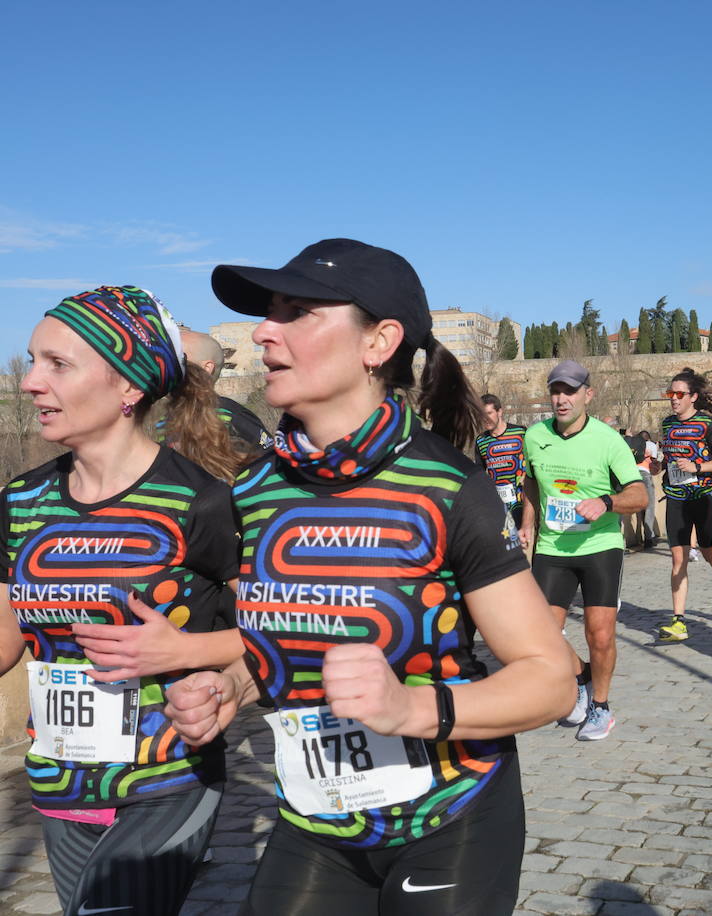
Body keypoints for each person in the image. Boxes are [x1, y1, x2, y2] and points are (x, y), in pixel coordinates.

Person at [168, 239, 572, 915]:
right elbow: (271, 642)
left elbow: (551, 678)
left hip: (449, 815)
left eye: (297, 311)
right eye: (270, 311)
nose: (267, 331)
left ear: (379, 341)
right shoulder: (247, 493)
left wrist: (413, 708)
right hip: (314, 817)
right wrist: (229, 686)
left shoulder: (447, 487)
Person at [1, 286, 242, 916]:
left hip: (168, 777)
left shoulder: (202, 502)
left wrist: (187, 650)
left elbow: (280, 633)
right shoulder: (22, 502)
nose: (31, 382)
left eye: (58, 364)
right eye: (33, 361)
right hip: (61, 778)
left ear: (128, 387)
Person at [519, 360, 648, 741]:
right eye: (556, 391)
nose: (562, 399)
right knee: (542, 633)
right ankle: (581, 678)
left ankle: (601, 707)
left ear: (587, 395)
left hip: (599, 545)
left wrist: (606, 503)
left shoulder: (608, 440)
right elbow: (531, 483)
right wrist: (527, 522)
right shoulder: (535, 435)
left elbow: (638, 494)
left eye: (570, 391)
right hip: (553, 546)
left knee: (600, 634)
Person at [657, 368, 712, 641]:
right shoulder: (667, 424)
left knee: (708, 551)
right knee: (678, 558)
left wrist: (697, 466)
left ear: (693, 397)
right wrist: (658, 466)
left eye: (679, 394)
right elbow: (667, 458)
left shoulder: (707, 424)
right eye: (670, 393)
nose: (673, 399)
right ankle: (678, 621)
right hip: (677, 496)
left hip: (702, 496)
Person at [178, 328, 274, 455]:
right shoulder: (163, 419)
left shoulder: (231, 415)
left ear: (207, 368)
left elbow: (269, 460)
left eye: (180, 357)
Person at [475, 394, 528, 529]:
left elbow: (535, 462)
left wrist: (526, 476)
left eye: (489, 413)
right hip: (497, 504)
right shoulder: (480, 441)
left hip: (522, 501)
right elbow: (479, 474)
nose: (485, 418)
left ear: (499, 411)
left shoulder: (521, 432)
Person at [634, 430, 661, 548]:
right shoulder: (651, 445)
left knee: (639, 506)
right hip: (645, 475)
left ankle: (641, 536)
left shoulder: (633, 445)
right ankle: (649, 538)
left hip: (632, 475)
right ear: (648, 438)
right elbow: (654, 462)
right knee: (649, 506)